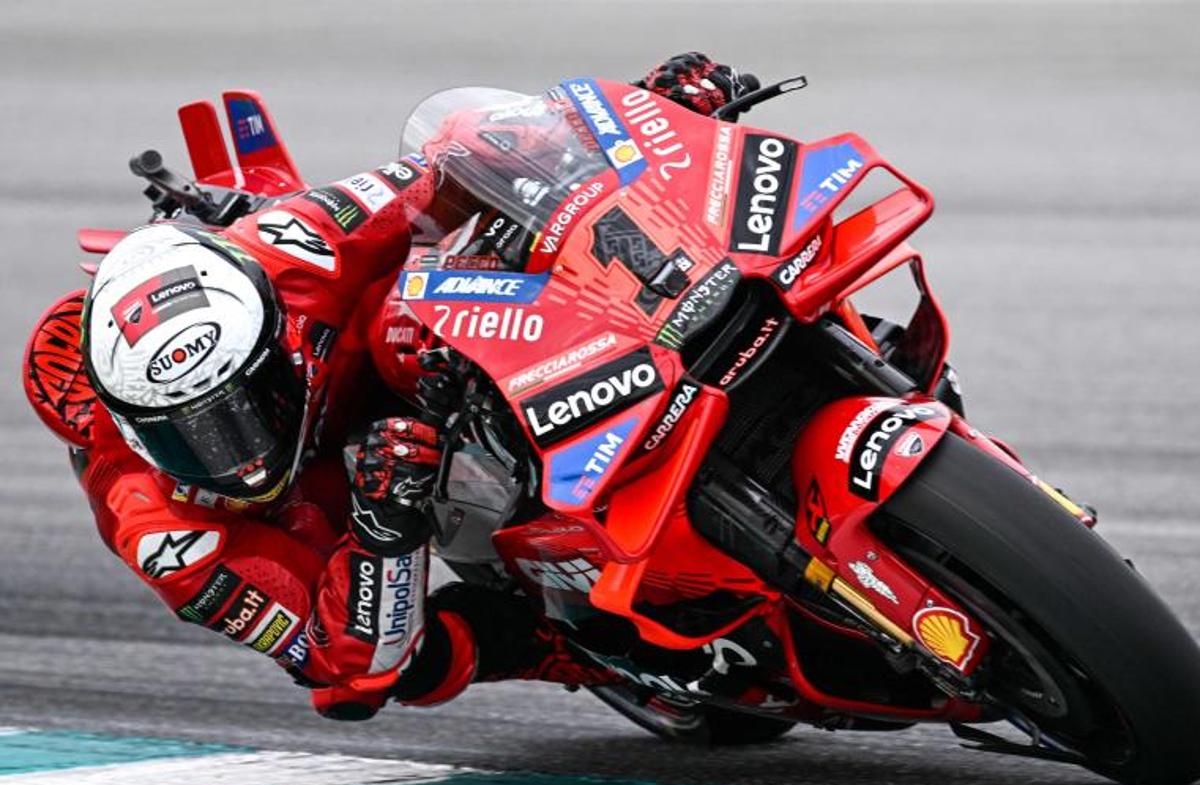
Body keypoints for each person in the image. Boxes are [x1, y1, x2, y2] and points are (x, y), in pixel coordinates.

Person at [23, 54, 755, 720]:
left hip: (401, 367)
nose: (233, 455)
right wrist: (381, 525)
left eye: (238, 414)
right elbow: (344, 664)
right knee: (382, 676)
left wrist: (639, 116)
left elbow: (458, 156)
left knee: (427, 293)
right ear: (130, 423)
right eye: (182, 435)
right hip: (336, 496)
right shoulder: (161, 531)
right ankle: (588, 651)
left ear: (273, 339)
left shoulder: (293, 245)